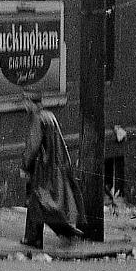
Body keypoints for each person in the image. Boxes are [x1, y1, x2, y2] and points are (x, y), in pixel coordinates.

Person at [20, 91, 85, 248]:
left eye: (25, 102)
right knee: (45, 203)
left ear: (30, 102)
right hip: (55, 165)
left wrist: (25, 166)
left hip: (43, 168)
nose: (24, 106)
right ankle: (63, 231)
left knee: (37, 202)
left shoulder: (37, 118)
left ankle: (34, 238)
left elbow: (33, 145)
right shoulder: (49, 116)